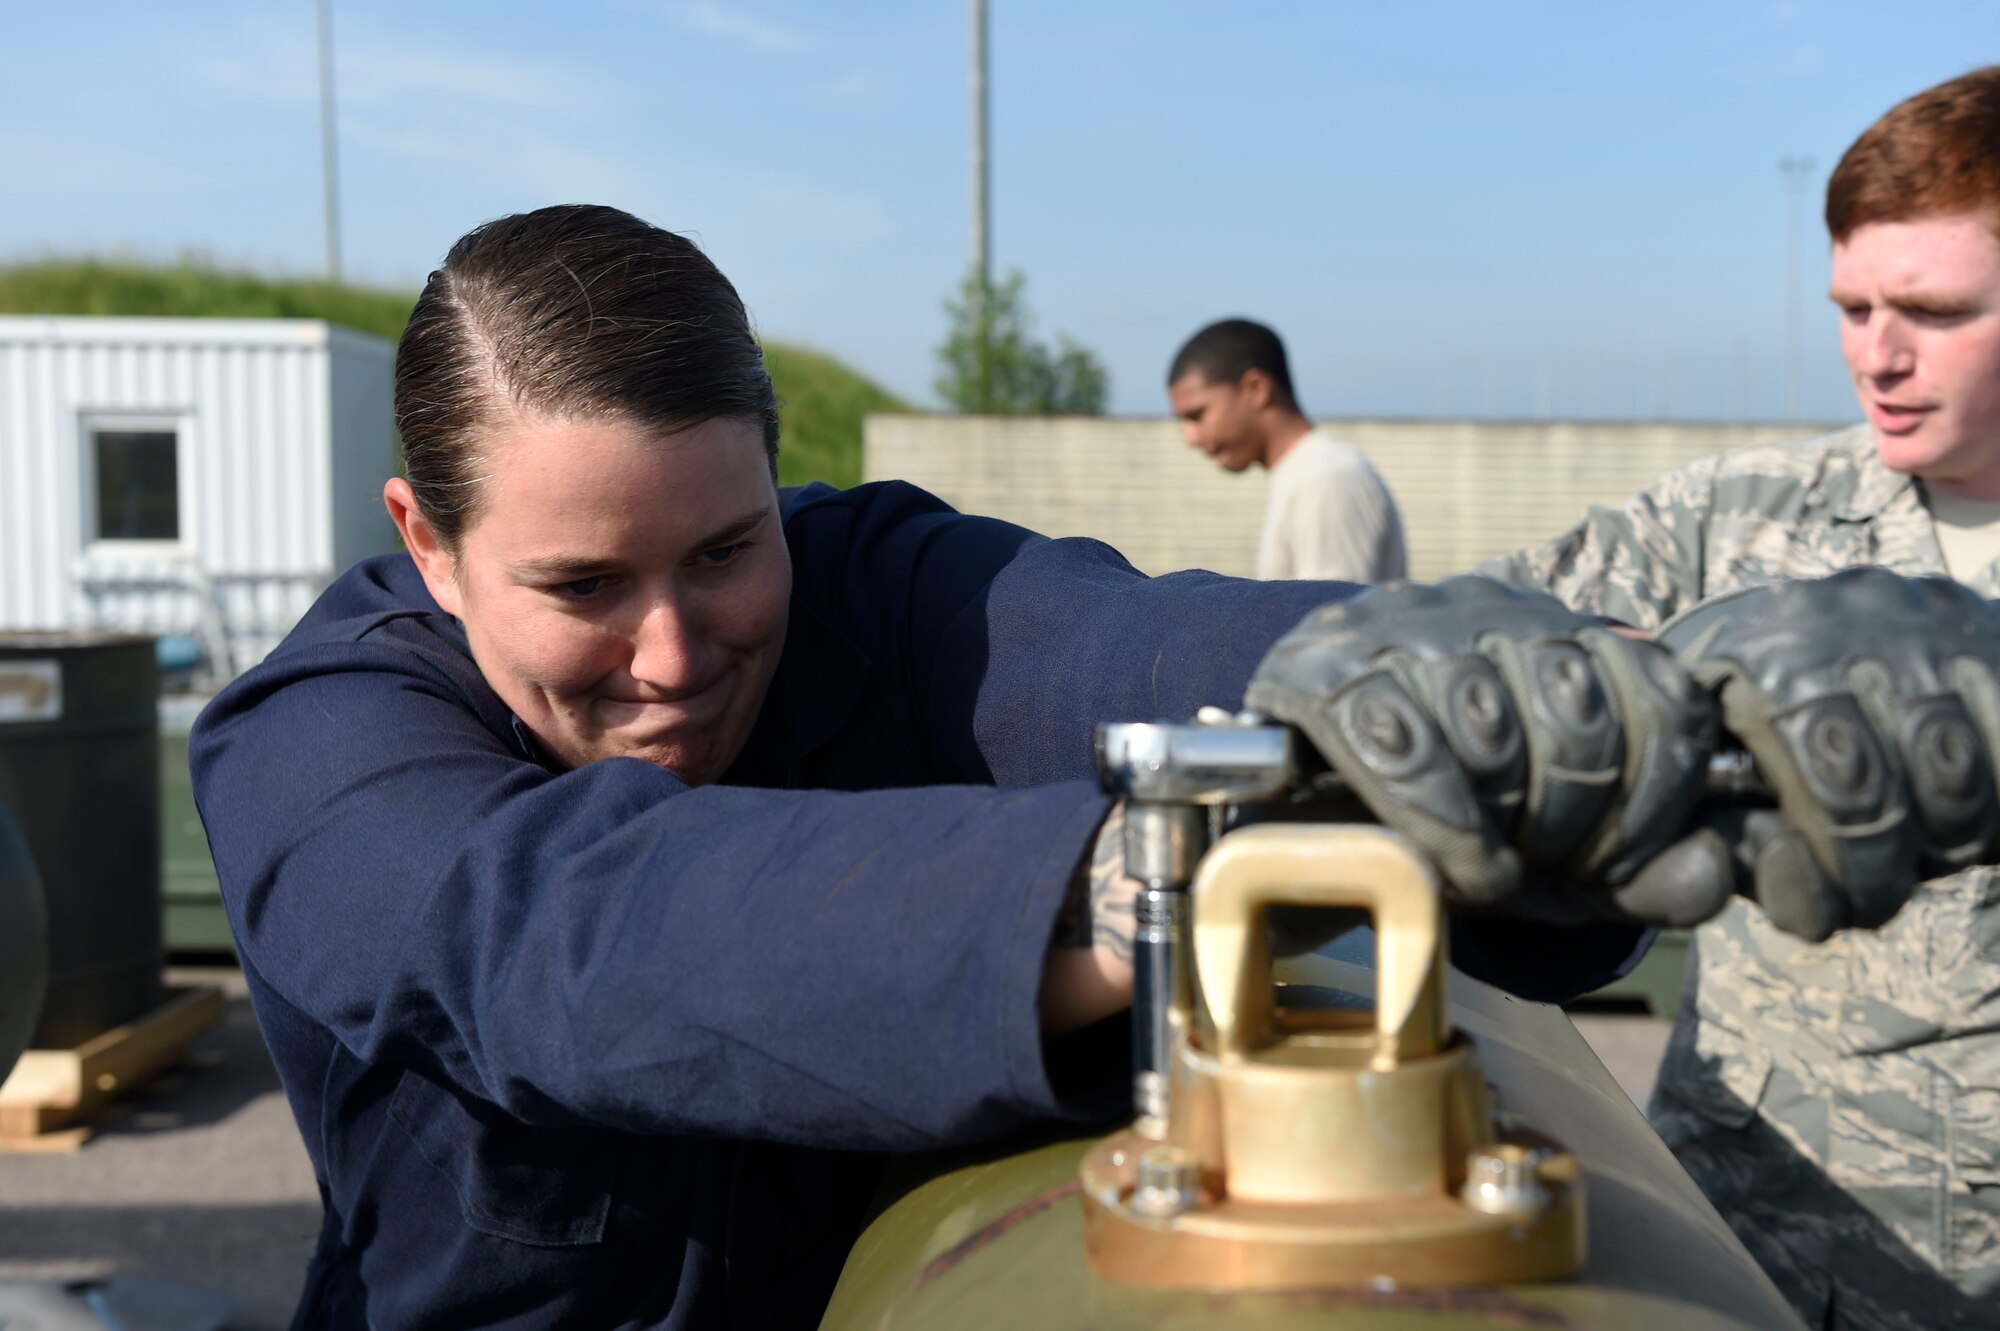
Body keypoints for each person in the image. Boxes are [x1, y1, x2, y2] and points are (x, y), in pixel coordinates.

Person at [191, 204, 2000, 1331]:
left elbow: (1130, 645)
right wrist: (1192, 871)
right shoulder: (319, 752)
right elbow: (576, 933)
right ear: (426, 542)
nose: (676, 652)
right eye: (582, 587)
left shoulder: (864, 583)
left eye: (727, 550)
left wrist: (1601, 712)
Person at [1478, 66, 2000, 1331]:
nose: (1875, 354)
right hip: (1746, 1226)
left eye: (1928, 310)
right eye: (1850, 305)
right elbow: (1477, 647)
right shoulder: (1738, 519)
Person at [1167, 318, 1407, 582]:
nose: (1190, 437)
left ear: (1256, 389)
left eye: (1197, 415)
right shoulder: (1306, 475)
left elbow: (1331, 620)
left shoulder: (1326, 479)